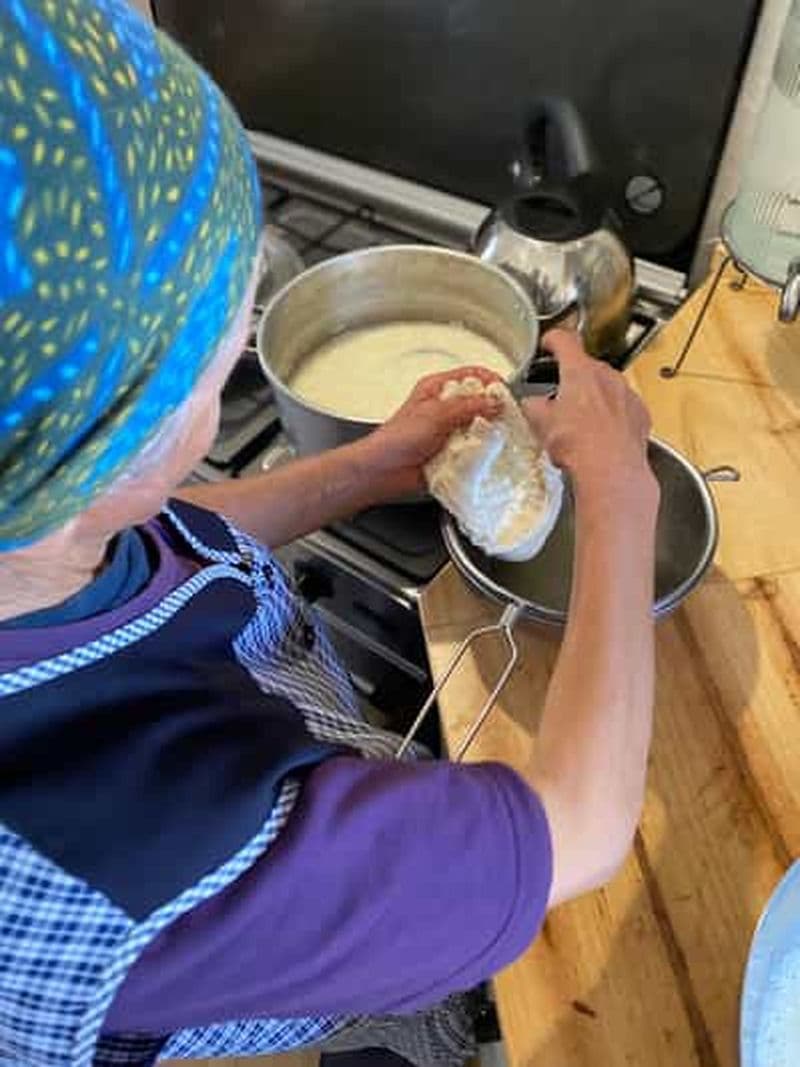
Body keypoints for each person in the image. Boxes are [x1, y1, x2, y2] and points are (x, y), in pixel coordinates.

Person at [0, 2, 659, 1066]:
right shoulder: (144, 847)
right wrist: (622, 491)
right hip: (262, 1008)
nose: (223, 396)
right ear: (110, 449)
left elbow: (146, 547)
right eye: (218, 371)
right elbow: (578, 824)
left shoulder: (31, 543)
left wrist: (366, 464)